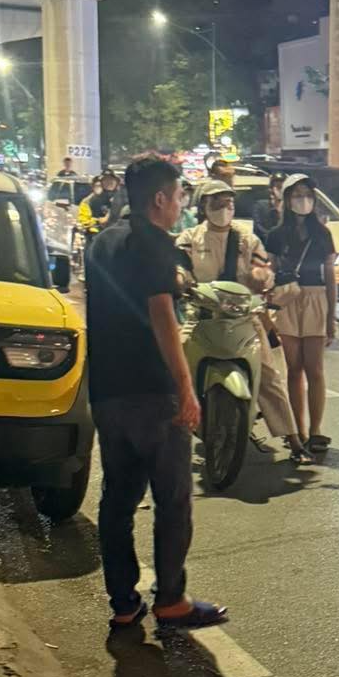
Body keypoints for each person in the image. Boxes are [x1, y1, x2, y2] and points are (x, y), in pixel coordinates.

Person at [83, 153, 227, 634]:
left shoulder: (102, 243)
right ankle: (171, 600)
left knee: (118, 502)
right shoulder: (155, 245)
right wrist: (185, 387)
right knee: (173, 500)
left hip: (108, 391)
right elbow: (162, 315)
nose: (182, 204)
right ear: (161, 198)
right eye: (180, 195)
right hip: (152, 392)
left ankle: (123, 602)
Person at [178, 178, 309, 464]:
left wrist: (262, 277)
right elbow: (180, 266)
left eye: (229, 202)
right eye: (217, 202)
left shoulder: (246, 238)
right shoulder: (190, 237)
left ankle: (293, 439)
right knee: (173, 365)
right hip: (201, 316)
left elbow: (262, 267)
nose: (225, 207)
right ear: (204, 205)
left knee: (269, 376)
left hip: (243, 317)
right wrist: (178, 279)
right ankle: (171, 436)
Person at [265, 174, 337, 455]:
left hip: (316, 297)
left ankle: (315, 431)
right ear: (286, 199)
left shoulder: (323, 234)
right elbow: (270, 273)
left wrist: (331, 317)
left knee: (315, 369)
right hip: (287, 299)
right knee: (293, 369)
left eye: (307, 194)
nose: (303, 200)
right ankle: (298, 431)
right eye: (297, 195)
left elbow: (330, 277)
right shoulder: (275, 235)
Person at [77, 169, 122, 243]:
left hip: (119, 237)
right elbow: (84, 221)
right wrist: (98, 221)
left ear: (116, 182)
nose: (109, 183)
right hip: (97, 237)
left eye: (111, 180)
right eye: (106, 180)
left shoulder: (122, 197)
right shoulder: (90, 201)